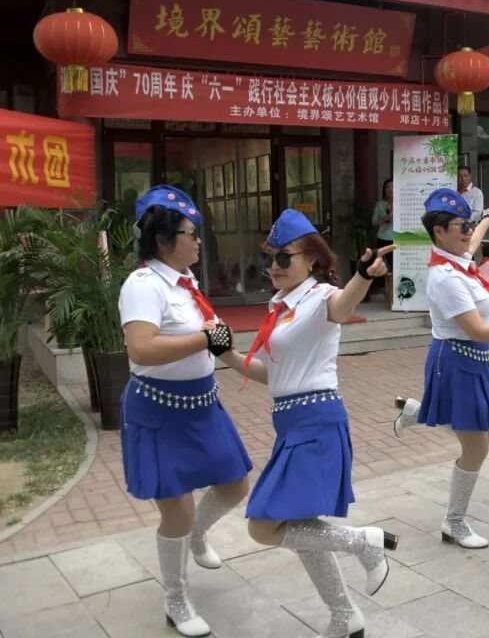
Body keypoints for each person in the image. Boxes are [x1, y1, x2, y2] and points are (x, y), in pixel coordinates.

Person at [217, 210, 397, 638]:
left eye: (284, 258)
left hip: (316, 423)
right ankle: (344, 615)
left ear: (312, 259)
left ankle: (365, 543)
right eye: (269, 258)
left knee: (263, 526)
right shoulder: (280, 307)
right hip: (292, 426)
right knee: (297, 526)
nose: (274, 267)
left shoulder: (320, 298)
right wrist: (223, 352)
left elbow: (343, 305)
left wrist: (363, 276)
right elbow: (270, 374)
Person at [118, 186, 251, 637]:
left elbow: (210, 339)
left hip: (201, 404)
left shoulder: (185, 281)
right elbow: (141, 348)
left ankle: (196, 534)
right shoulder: (143, 285)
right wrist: (204, 340)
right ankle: (176, 599)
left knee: (234, 483)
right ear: (162, 239)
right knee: (176, 509)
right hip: (159, 409)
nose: (198, 241)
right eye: (190, 233)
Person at [392, 192, 489, 549]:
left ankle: (418, 413)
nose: (468, 233)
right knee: (477, 449)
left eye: (468, 226)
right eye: (462, 227)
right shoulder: (445, 276)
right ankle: (454, 522)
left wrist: (487, 217)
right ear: (439, 232)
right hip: (457, 361)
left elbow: (474, 241)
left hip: (476, 361)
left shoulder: (458, 257)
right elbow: (477, 330)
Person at [372, 178, 395, 304]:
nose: (391, 189)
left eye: (393, 186)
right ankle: (389, 293)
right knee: (388, 269)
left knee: (397, 267)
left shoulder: (403, 202)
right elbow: (374, 221)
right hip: (384, 238)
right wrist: (386, 217)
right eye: (388, 187)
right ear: (384, 190)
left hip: (399, 239)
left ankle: (396, 293)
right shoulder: (380, 204)